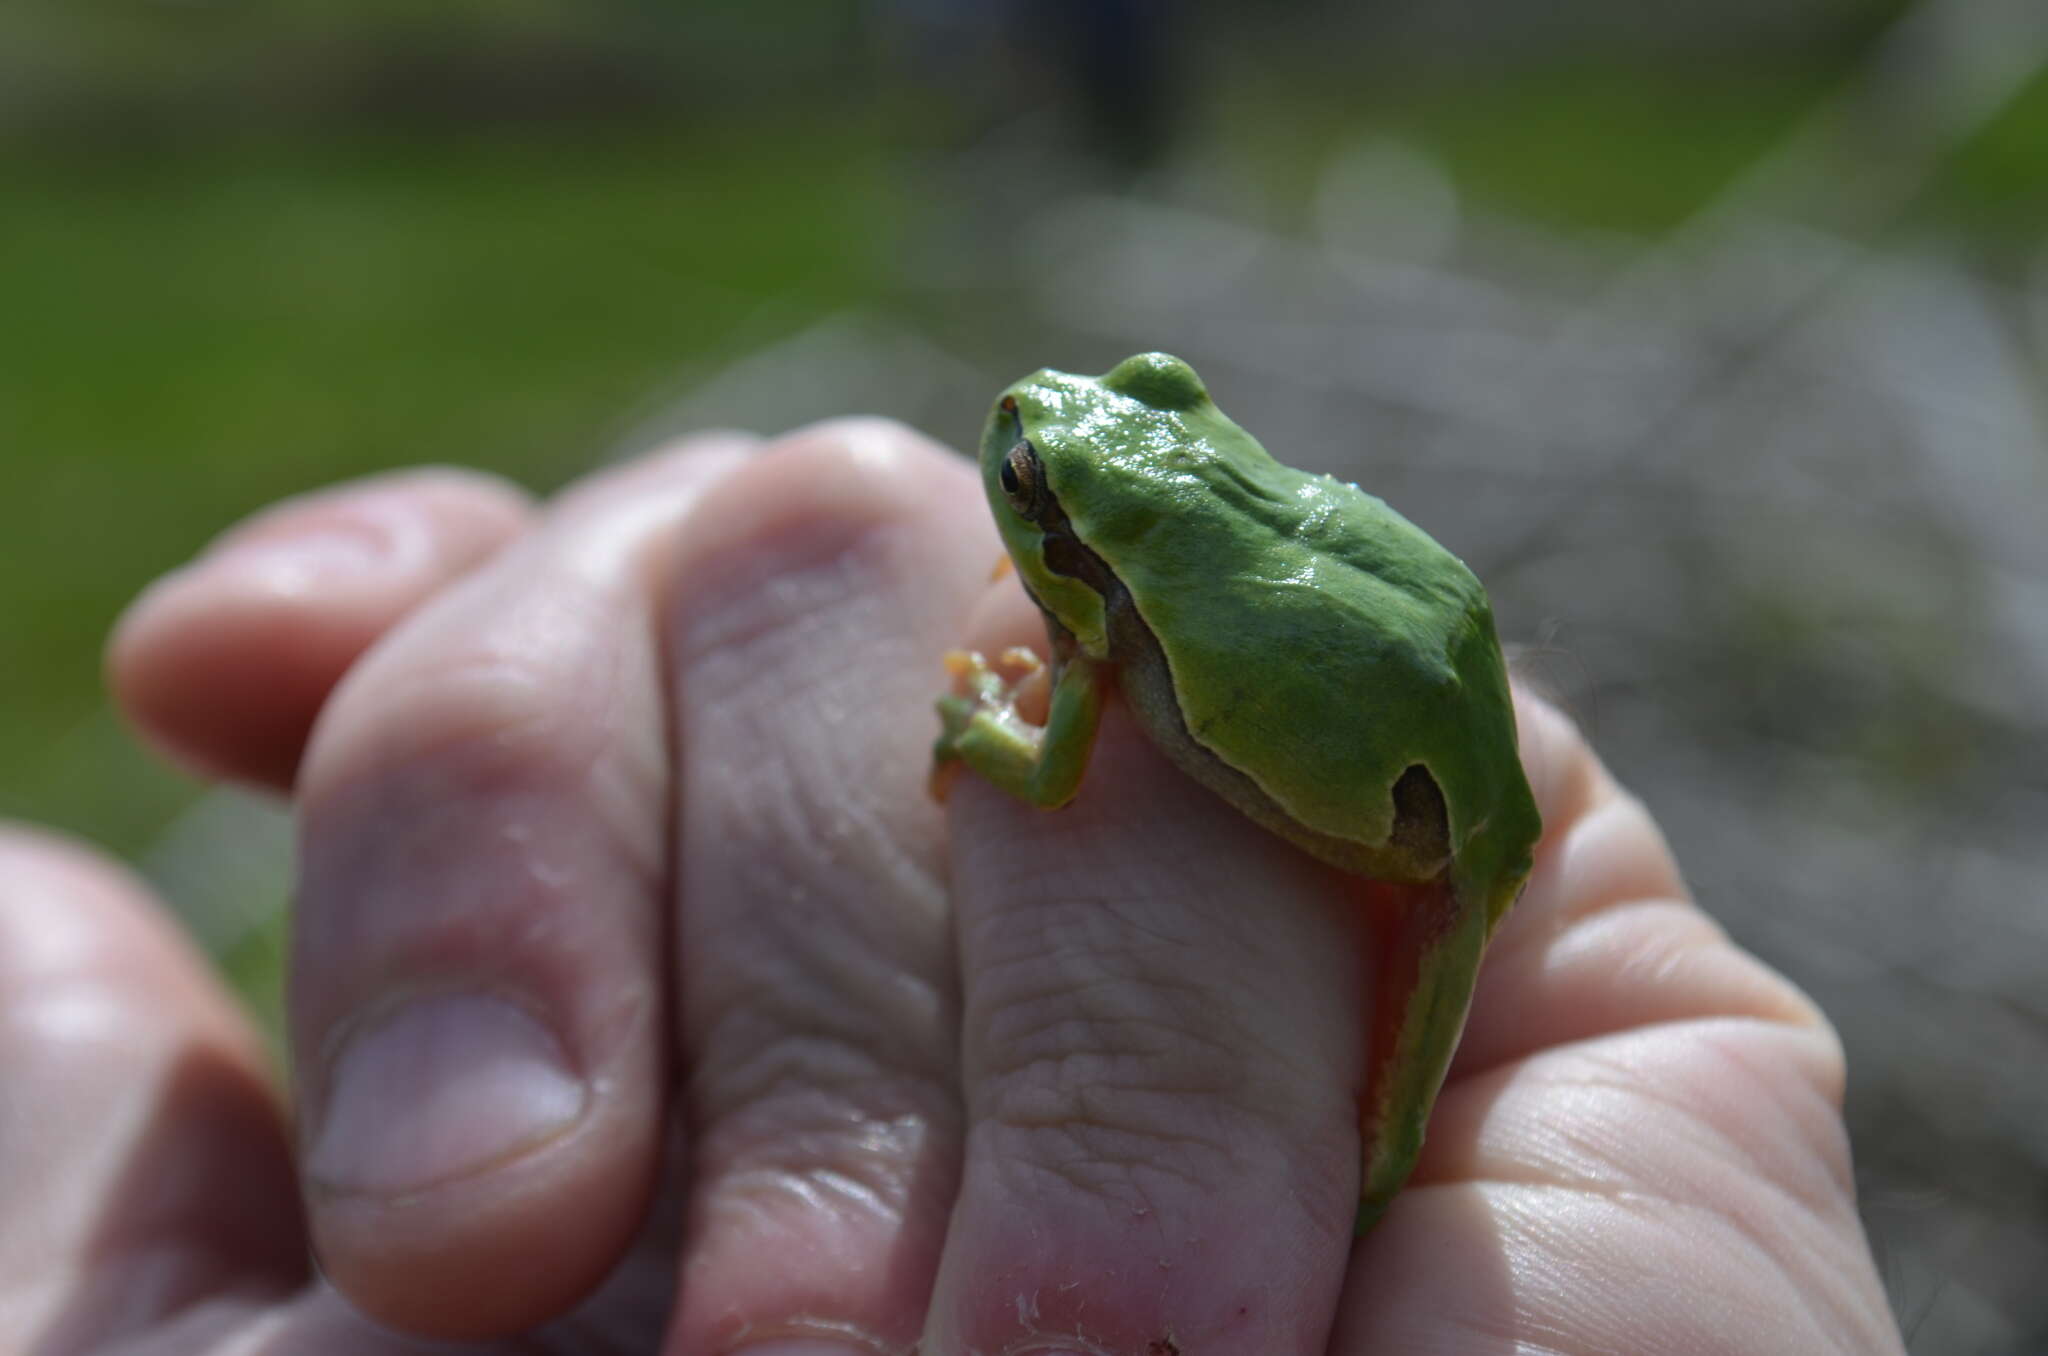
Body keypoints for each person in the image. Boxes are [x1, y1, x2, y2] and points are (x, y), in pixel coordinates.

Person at [2, 420, 1907, 1353]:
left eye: (1034, 498)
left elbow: (1042, 762)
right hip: (1439, 788)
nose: (1007, 485)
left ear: (1074, 558)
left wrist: (985, 737)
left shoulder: (1082, 651)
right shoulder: (1111, 599)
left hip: (1389, 834)